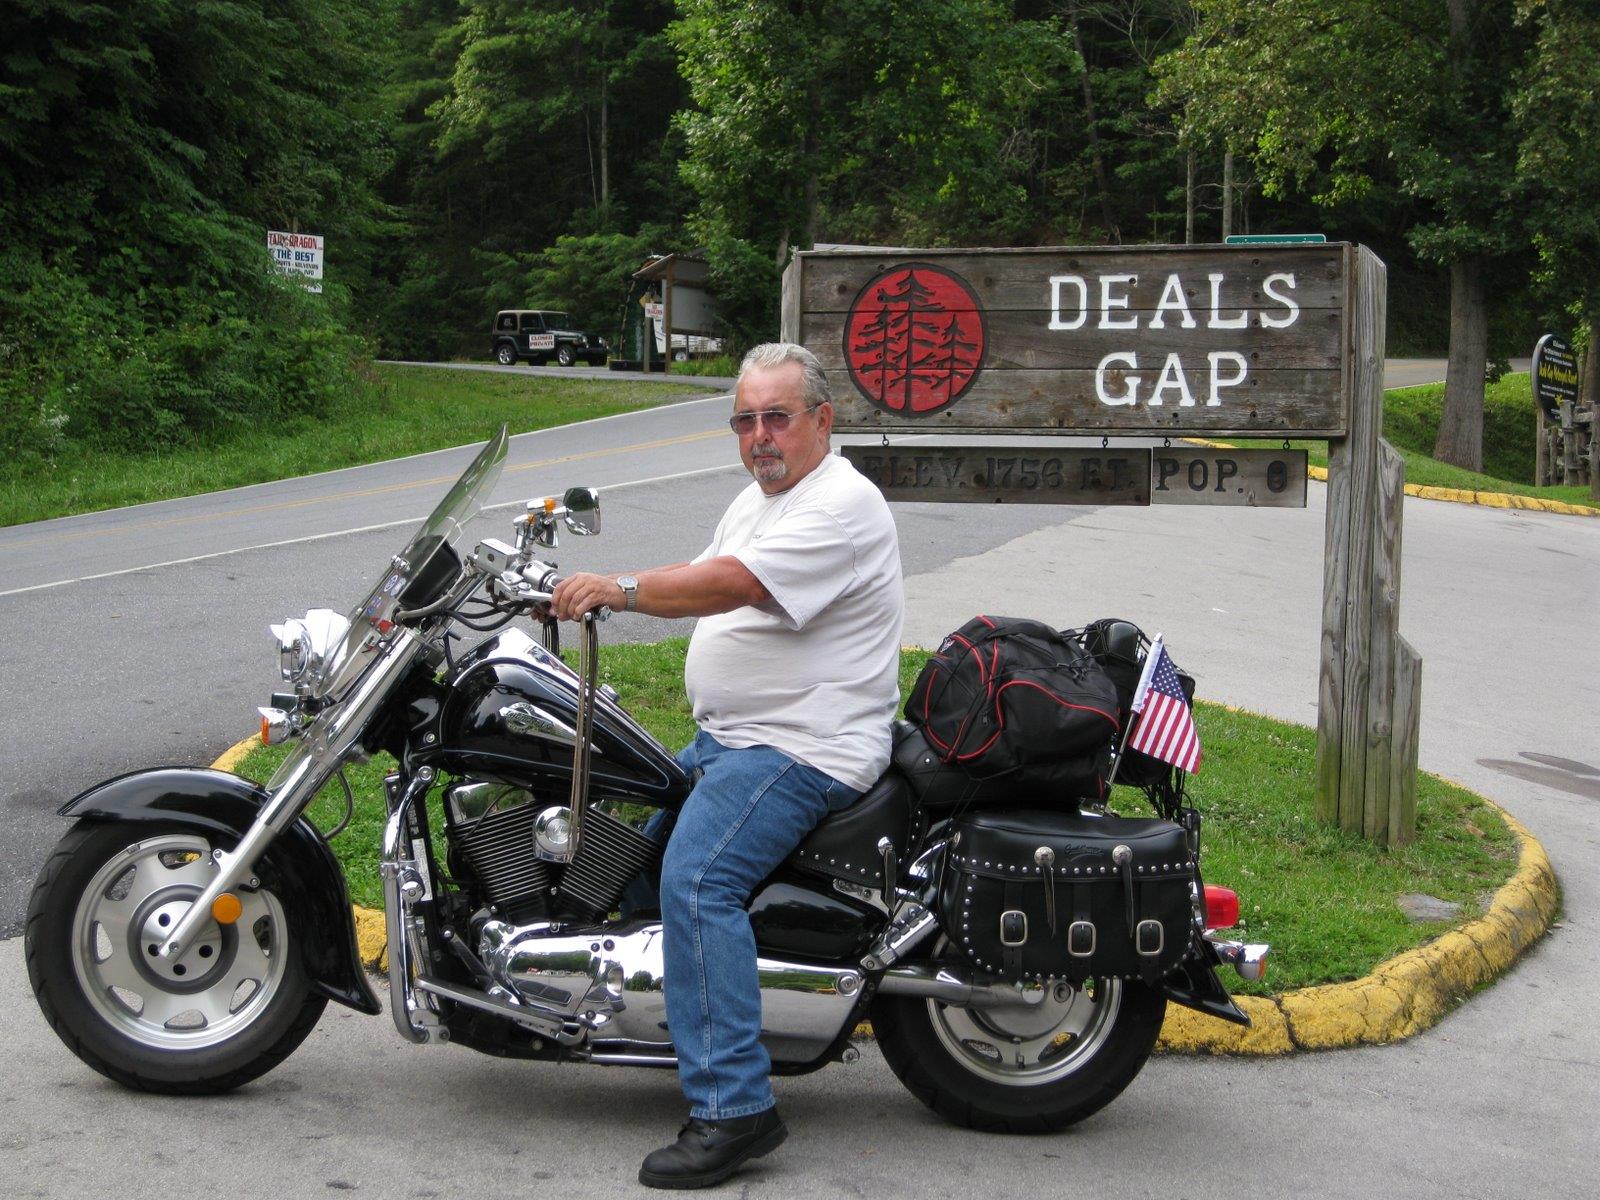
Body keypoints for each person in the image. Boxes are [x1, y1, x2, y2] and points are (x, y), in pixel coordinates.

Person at [551, 342, 904, 1189]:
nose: (758, 436)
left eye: (776, 417)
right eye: (744, 420)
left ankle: (734, 1107)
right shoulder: (761, 499)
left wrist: (622, 589)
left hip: (800, 745)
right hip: (737, 737)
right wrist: (571, 588)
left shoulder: (842, 502)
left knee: (697, 879)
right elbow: (704, 570)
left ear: (823, 420)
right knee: (620, 861)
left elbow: (734, 585)